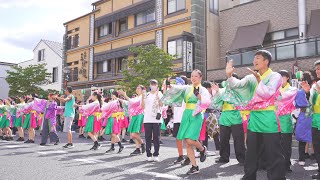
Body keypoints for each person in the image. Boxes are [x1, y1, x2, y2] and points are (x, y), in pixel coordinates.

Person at [224, 50, 285, 180]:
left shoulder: (275, 76)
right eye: (254, 58)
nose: (254, 61)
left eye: (258, 58)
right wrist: (229, 75)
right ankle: (249, 177)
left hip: (269, 117)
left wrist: (259, 81)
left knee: (273, 153)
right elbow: (237, 85)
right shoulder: (252, 77)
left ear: (266, 61)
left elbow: (268, 93)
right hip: (255, 118)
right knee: (251, 153)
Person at [161, 70, 211, 175]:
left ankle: (202, 149)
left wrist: (199, 96)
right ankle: (194, 166)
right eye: (192, 76)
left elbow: (207, 101)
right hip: (186, 114)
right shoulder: (187, 88)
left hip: (196, 115)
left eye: (196, 76)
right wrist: (170, 85)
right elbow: (177, 89)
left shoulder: (203, 89)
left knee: (190, 139)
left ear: (200, 78)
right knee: (187, 143)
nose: (193, 78)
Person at [211, 74, 246, 166]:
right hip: (225, 116)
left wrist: (219, 91)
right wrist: (217, 92)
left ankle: (242, 159)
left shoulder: (240, 91)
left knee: (238, 140)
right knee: (223, 139)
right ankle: (224, 157)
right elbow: (216, 103)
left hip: (236, 116)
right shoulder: (223, 90)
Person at [277, 70, 298, 173]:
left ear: (287, 78)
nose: (280, 79)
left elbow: (282, 97)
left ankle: (286, 165)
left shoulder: (292, 89)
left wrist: (277, 96)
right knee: (276, 145)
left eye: (282, 77)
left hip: (286, 120)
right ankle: (278, 164)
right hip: (274, 120)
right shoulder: (276, 88)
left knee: (286, 145)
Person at [303, 60, 320, 179]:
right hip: (315, 119)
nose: (318, 71)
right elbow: (310, 103)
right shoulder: (315, 85)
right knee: (317, 147)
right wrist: (308, 92)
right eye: (317, 69)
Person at [119, 86, 146, 156]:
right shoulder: (137, 97)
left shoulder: (142, 97)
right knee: (135, 134)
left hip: (139, 115)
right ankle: (138, 149)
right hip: (134, 116)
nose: (137, 89)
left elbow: (133, 102)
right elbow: (130, 103)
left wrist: (125, 96)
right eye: (136, 88)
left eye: (138, 88)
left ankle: (142, 144)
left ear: (142, 90)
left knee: (134, 134)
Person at [142, 79, 163, 162]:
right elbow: (142, 107)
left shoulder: (160, 93)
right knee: (147, 137)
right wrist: (142, 98)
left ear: (157, 85)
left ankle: (156, 154)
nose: (153, 85)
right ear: (150, 85)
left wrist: (158, 96)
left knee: (156, 138)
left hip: (156, 119)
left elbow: (161, 104)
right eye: (152, 84)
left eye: (155, 84)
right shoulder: (146, 94)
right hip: (147, 119)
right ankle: (148, 154)